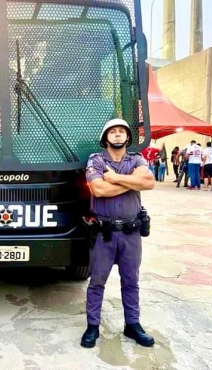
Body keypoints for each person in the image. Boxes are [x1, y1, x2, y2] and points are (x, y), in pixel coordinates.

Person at [81, 118, 155, 349]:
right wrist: (133, 182)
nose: (117, 134)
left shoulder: (137, 159)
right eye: (112, 132)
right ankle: (92, 326)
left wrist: (115, 178)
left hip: (131, 233)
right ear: (105, 138)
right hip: (105, 233)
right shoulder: (96, 159)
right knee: (97, 282)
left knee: (131, 281)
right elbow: (99, 189)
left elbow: (149, 182)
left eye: (121, 131)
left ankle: (132, 324)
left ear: (128, 137)